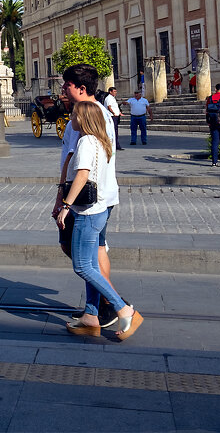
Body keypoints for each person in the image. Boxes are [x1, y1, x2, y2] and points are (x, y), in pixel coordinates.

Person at [55, 100, 142, 340]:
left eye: (73, 115)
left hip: (87, 212)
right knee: (91, 265)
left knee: (82, 266)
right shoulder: (101, 141)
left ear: (82, 118)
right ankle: (91, 317)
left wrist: (65, 206)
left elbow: (82, 175)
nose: (71, 119)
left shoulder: (85, 142)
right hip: (100, 208)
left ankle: (123, 309)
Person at [54, 64, 121, 330]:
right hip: (102, 196)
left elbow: (74, 163)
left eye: (67, 85)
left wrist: (62, 201)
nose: (63, 89)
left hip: (87, 200)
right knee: (94, 250)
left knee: (82, 256)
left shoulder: (84, 118)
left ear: (81, 88)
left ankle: (114, 304)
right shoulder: (100, 113)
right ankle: (94, 312)